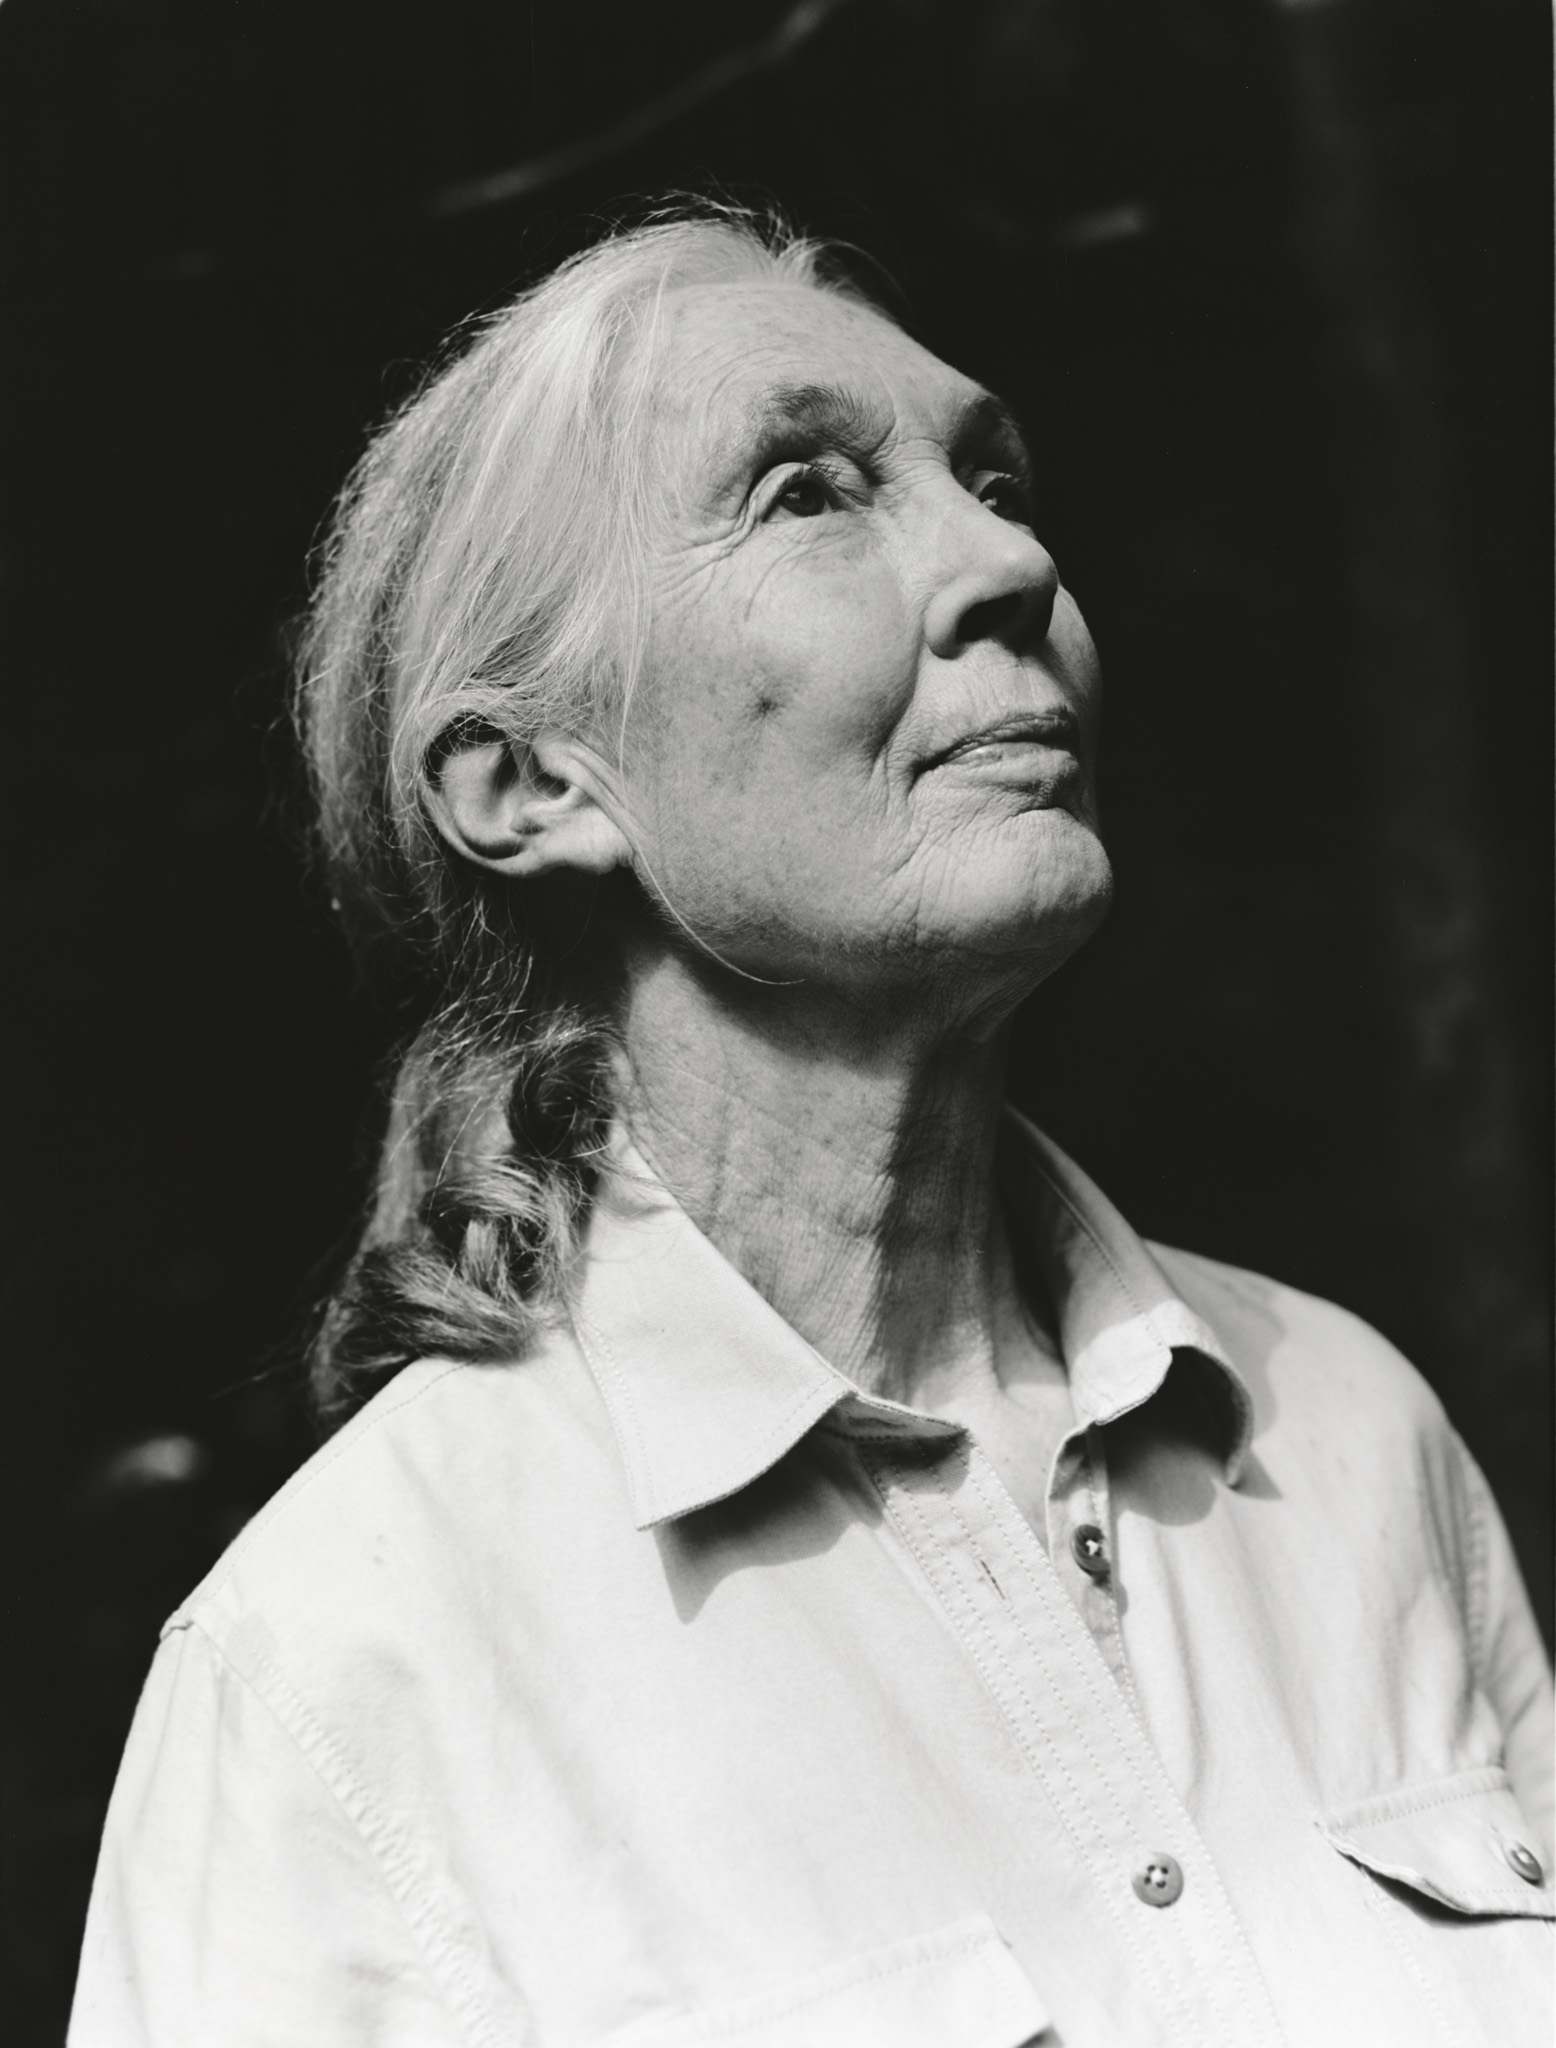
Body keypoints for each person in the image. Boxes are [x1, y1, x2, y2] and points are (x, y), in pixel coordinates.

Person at [69, 205, 1551, 2048]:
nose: (1009, 562)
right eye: (807, 494)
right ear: (527, 783)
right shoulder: (342, 1676)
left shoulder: (1351, 1439)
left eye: (995, 480)